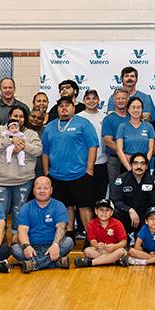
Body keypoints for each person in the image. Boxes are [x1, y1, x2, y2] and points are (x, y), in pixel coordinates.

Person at [41, 96, 98, 234]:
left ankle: (90, 237)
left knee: (84, 206)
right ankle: (69, 233)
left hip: (80, 174)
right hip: (57, 175)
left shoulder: (83, 124)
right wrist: (46, 173)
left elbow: (93, 146)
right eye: (61, 106)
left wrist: (89, 169)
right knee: (65, 206)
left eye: (68, 105)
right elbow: (45, 152)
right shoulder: (50, 126)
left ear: (74, 107)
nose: (64, 108)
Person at [0, 104, 41, 236]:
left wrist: (22, 145)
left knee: (20, 211)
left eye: (21, 116)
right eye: (15, 116)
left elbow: (38, 150)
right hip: (1, 180)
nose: (18, 119)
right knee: (1, 211)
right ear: (9, 117)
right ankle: (0, 238)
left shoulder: (30, 133)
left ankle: (18, 237)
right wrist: (11, 139)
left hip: (23, 180)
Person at [11, 176, 73, 272]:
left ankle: (33, 264)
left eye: (45, 188)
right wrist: (27, 246)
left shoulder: (59, 206)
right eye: (39, 188)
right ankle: (55, 262)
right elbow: (22, 230)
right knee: (15, 248)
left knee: (68, 241)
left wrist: (56, 245)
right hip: (32, 247)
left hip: (52, 245)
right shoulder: (26, 208)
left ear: (51, 190)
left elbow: (61, 227)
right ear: (34, 191)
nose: (42, 191)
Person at [110, 153, 155, 236]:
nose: (139, 166)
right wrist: (129, 210)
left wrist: (150, 218)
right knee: (114, 212)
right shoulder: (121, 179)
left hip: (144, 216)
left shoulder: (152, 180)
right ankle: (120, 236)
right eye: (136, 163)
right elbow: (115, 200)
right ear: (131, 165)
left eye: (142, 164)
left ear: (146, 166)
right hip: (126, 214)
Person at [75, 199, 128, 268]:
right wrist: (97, 245)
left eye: (107, 210)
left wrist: (115, 246)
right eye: (101, 210)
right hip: (100, 250)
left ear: (112, 212)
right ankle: (115, 260)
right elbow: (92, 241)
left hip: (114, 250)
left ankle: (91, 262)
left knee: (121, 251)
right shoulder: (91, 224)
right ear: (96, 211)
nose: (104, 212)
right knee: (87, 251)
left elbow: (124, 242)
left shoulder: (117, 223)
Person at [80, 89, 110, 207]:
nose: (91, 101)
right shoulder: (78, 117)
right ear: (83, 101)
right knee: (84, 199)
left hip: (101, 163)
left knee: (100, 197)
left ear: (98, 100)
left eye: (94, 98)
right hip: (82, 164)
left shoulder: (105, 118)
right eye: (88, 98)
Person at [116, 96, 155, 169]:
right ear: (128, 109)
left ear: (142, 110)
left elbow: (151, 149)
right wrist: (129, 168)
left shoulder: (149, 126)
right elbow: (119, 150)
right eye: (133, 107)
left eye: (139, 107)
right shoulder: (122, 126)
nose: (136, 110)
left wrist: (144, 165)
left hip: (144, 166)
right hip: (127, 165)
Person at [102, 88, 130, 184]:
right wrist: (124, 154)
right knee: (115, 186)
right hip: (115, 159)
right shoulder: (108, 119)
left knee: (132, 185)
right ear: (114, 100)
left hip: (133, 158)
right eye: (118, 99)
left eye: (123, 98)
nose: (121, 101)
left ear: (128, 100)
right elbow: (108, 141)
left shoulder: (133, 117)